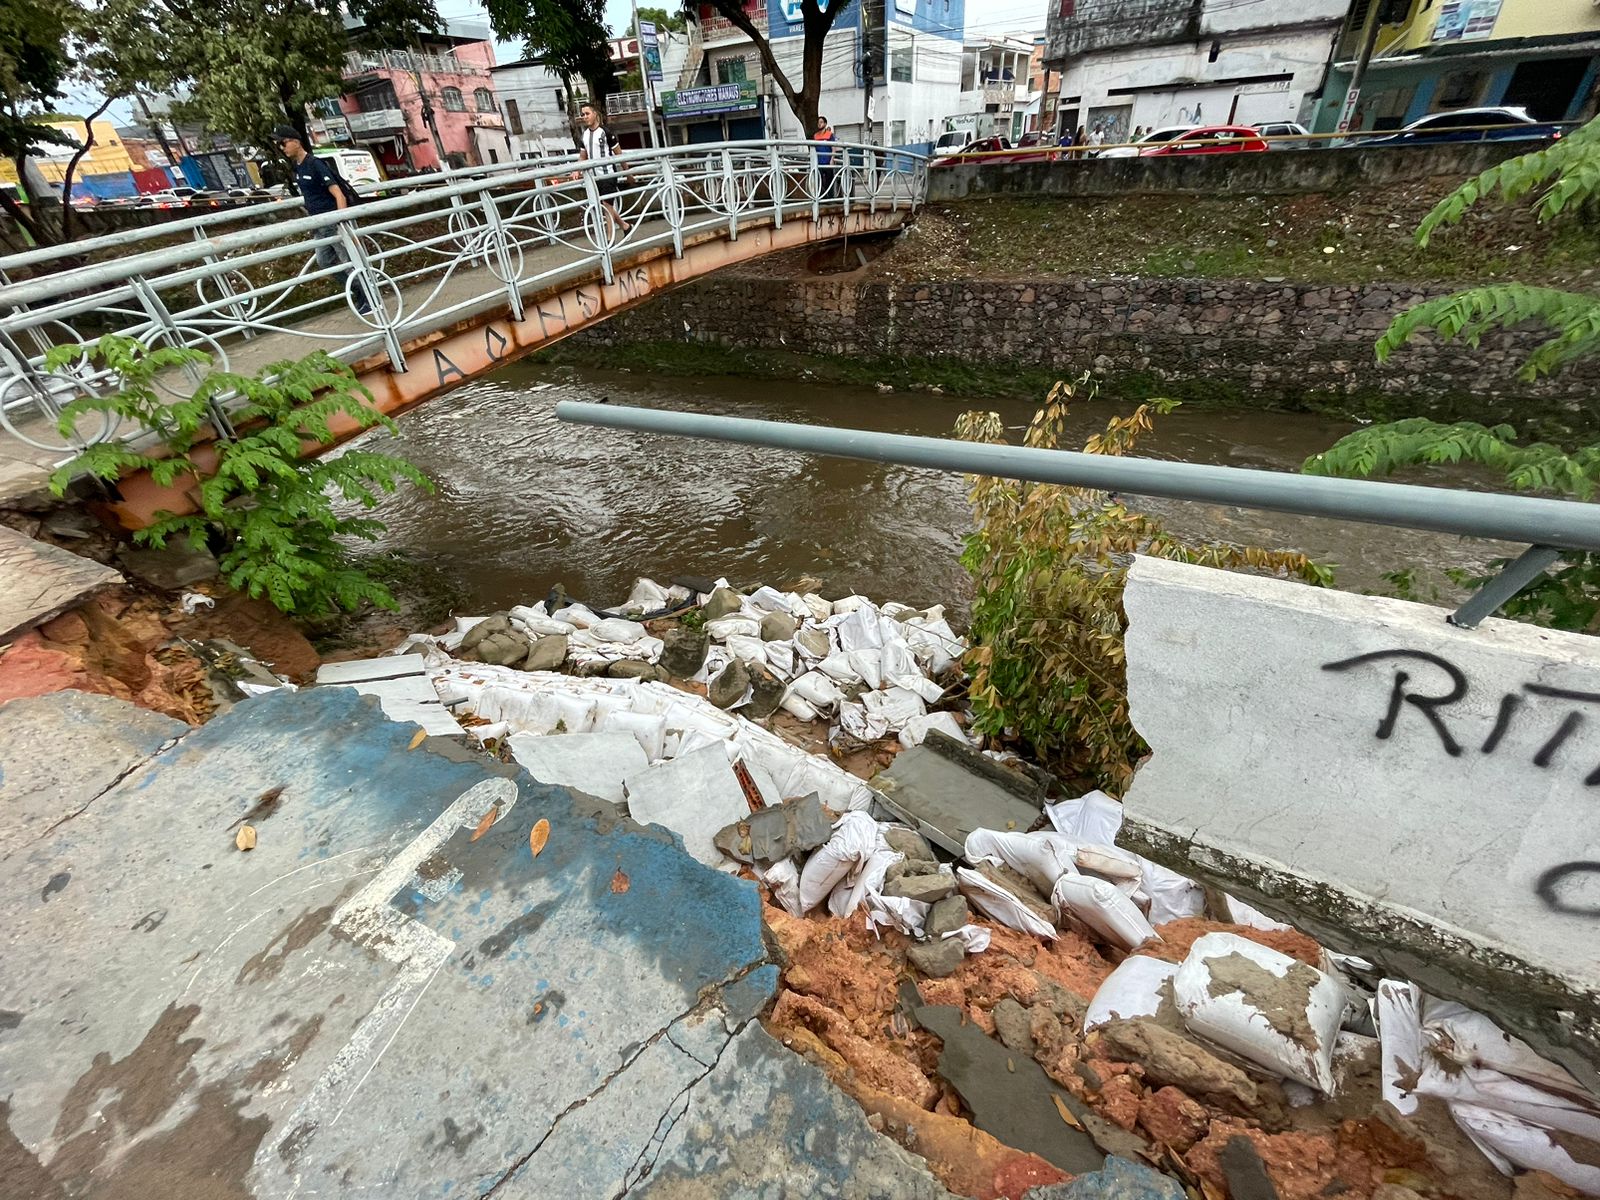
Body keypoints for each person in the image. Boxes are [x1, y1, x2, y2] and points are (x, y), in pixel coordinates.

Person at [272, 124, 369, 315]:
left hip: (334, 222)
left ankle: (368, 297)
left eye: (283, 143)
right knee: (325, 262)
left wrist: (342, 222)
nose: (282, 148)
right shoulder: (297, 167)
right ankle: (357, 291)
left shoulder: (315, 164)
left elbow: (338, 195)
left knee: (349, 261)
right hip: (318, 224)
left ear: (295, 142)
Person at [577, 101, 632, 238]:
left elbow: (618, 154)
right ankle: (625, 226)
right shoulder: (584, 135)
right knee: (605, 206)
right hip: (595, 177)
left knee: (607, 206)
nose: (585, 117)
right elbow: (582, 156)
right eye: (583, 114)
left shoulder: (605, 132)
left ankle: (609, 239)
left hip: (608, 175)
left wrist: (628, 173)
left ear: (595, 114)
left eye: (587, 114)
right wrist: (576, 170)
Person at [814, 114, 838, 199]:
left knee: (829, 180)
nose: (819, 124)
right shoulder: (816, 136)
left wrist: (832, 159)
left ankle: (830, 198)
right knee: (819, 181)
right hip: (819, 162)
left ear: (825, 124)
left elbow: (833, 148)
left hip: (827, 161)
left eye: (821, 122)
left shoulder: (829, 135)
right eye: (818, 122)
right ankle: (821, 198)